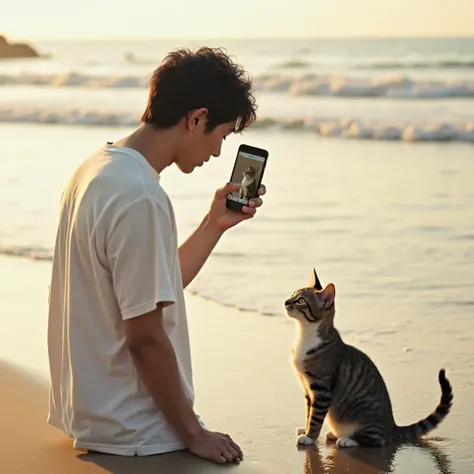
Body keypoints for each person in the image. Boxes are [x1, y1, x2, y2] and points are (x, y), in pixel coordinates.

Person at [46, 47, 265, 465]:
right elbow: (145, 339)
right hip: (136, 433)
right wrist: (193, 431)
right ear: (195, 118)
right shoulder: (140, 196)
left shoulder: (94, 170)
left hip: (97, 416)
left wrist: (212, 224)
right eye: (219, 136)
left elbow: (150, 288)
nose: (217, 153)